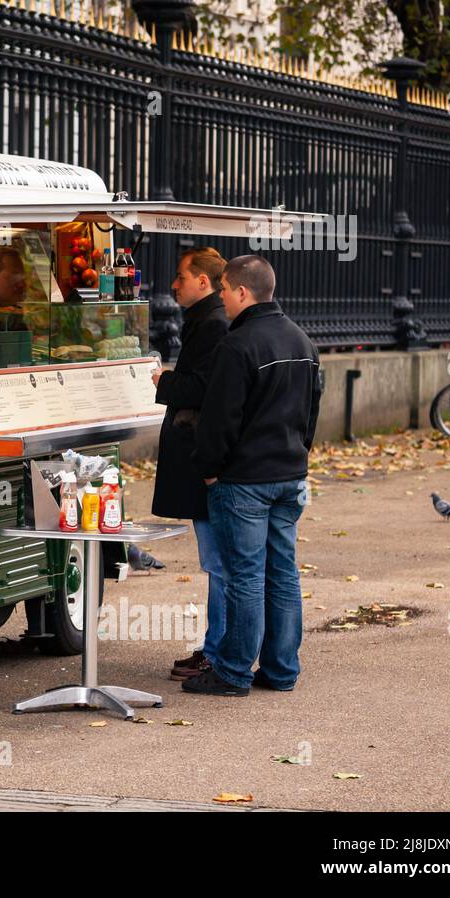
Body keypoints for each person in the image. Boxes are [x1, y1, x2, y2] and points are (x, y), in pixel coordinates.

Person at [184, 254, 322, 697]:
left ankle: (232, 671)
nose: (220, 298)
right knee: (282, 573)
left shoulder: (237, 345)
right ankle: (281, 670)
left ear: (243, 292)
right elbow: (312, 413)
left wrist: (208, 471)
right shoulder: (303, 342)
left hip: (243, 481)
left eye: (224, 290)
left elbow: (220, 419)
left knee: (244, 575)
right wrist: (298, 457)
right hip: (288, 474)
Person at [149, 248, 229, 681]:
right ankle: (217, 648)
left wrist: (166, 381)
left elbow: (202, 386)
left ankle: (217, 651)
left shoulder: (213, 324)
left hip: (206, 458)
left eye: (181, 277)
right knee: (220, 561)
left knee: (218, 562)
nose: (173, 285)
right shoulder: (208, 320)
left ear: (203, 282)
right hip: (206, 456)